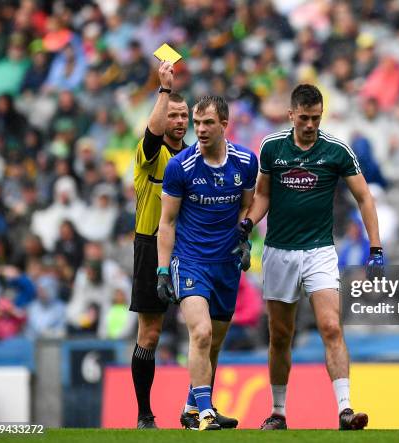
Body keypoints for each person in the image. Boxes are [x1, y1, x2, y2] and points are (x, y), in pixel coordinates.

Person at [239, 84, 384, 430]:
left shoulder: (336, 150)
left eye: (316, 118)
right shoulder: (272, 147)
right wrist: (246, 223)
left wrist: (375, 247)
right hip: (278, 252)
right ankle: (278, 412)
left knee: (331, 326)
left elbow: (364, 197)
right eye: (304, 118)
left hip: (319, 250)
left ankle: (346, 410)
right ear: (291, 115)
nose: (310, 124)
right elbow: (262, 195)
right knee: (280, 335)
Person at [156, 95, 258, 431]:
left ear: (224, 125)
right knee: (200, 333)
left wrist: (245, 240)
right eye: (196, 123)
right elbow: (167, 222)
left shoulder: (245, 162)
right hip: (191, 261)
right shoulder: (180, 167)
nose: (199, 129)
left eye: (207, 123)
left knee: (212, 342)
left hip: (225, 265)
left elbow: (247, 208)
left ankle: (192, 409)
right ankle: (206, 415)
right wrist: (161, 270)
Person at [129, 60, 189, 429]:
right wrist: (164, 90)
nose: (179, 121)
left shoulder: (193, 157)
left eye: (184, 115)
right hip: (150, 246)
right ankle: (144, 414)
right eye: (173, 115)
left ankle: (198, 409)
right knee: (150, 333)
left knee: (203, 330)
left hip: (189, 249)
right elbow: (152, 132)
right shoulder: (149, 153)